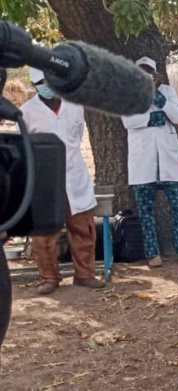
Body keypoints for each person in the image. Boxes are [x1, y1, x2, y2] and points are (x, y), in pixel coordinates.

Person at [20, 68, 105, 294]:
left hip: (75, 175)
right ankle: (48, 277)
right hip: (44, 180)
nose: (45, 86)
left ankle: (84, 275)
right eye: (39, 83)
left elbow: (75, 138)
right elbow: (23, 148)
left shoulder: (75, 105)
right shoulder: (26, 112)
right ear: (34, 85)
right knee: (44, 233)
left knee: (83, 229)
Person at [121, 56, 178, 268]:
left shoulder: (168, 92)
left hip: (169, 160)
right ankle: (152, 253)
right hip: (143, 161)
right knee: (145, 211)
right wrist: (152, 119)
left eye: (149, 72)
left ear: (156, 74)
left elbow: (177, 116)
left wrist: (156, 95)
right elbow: (128, 120)